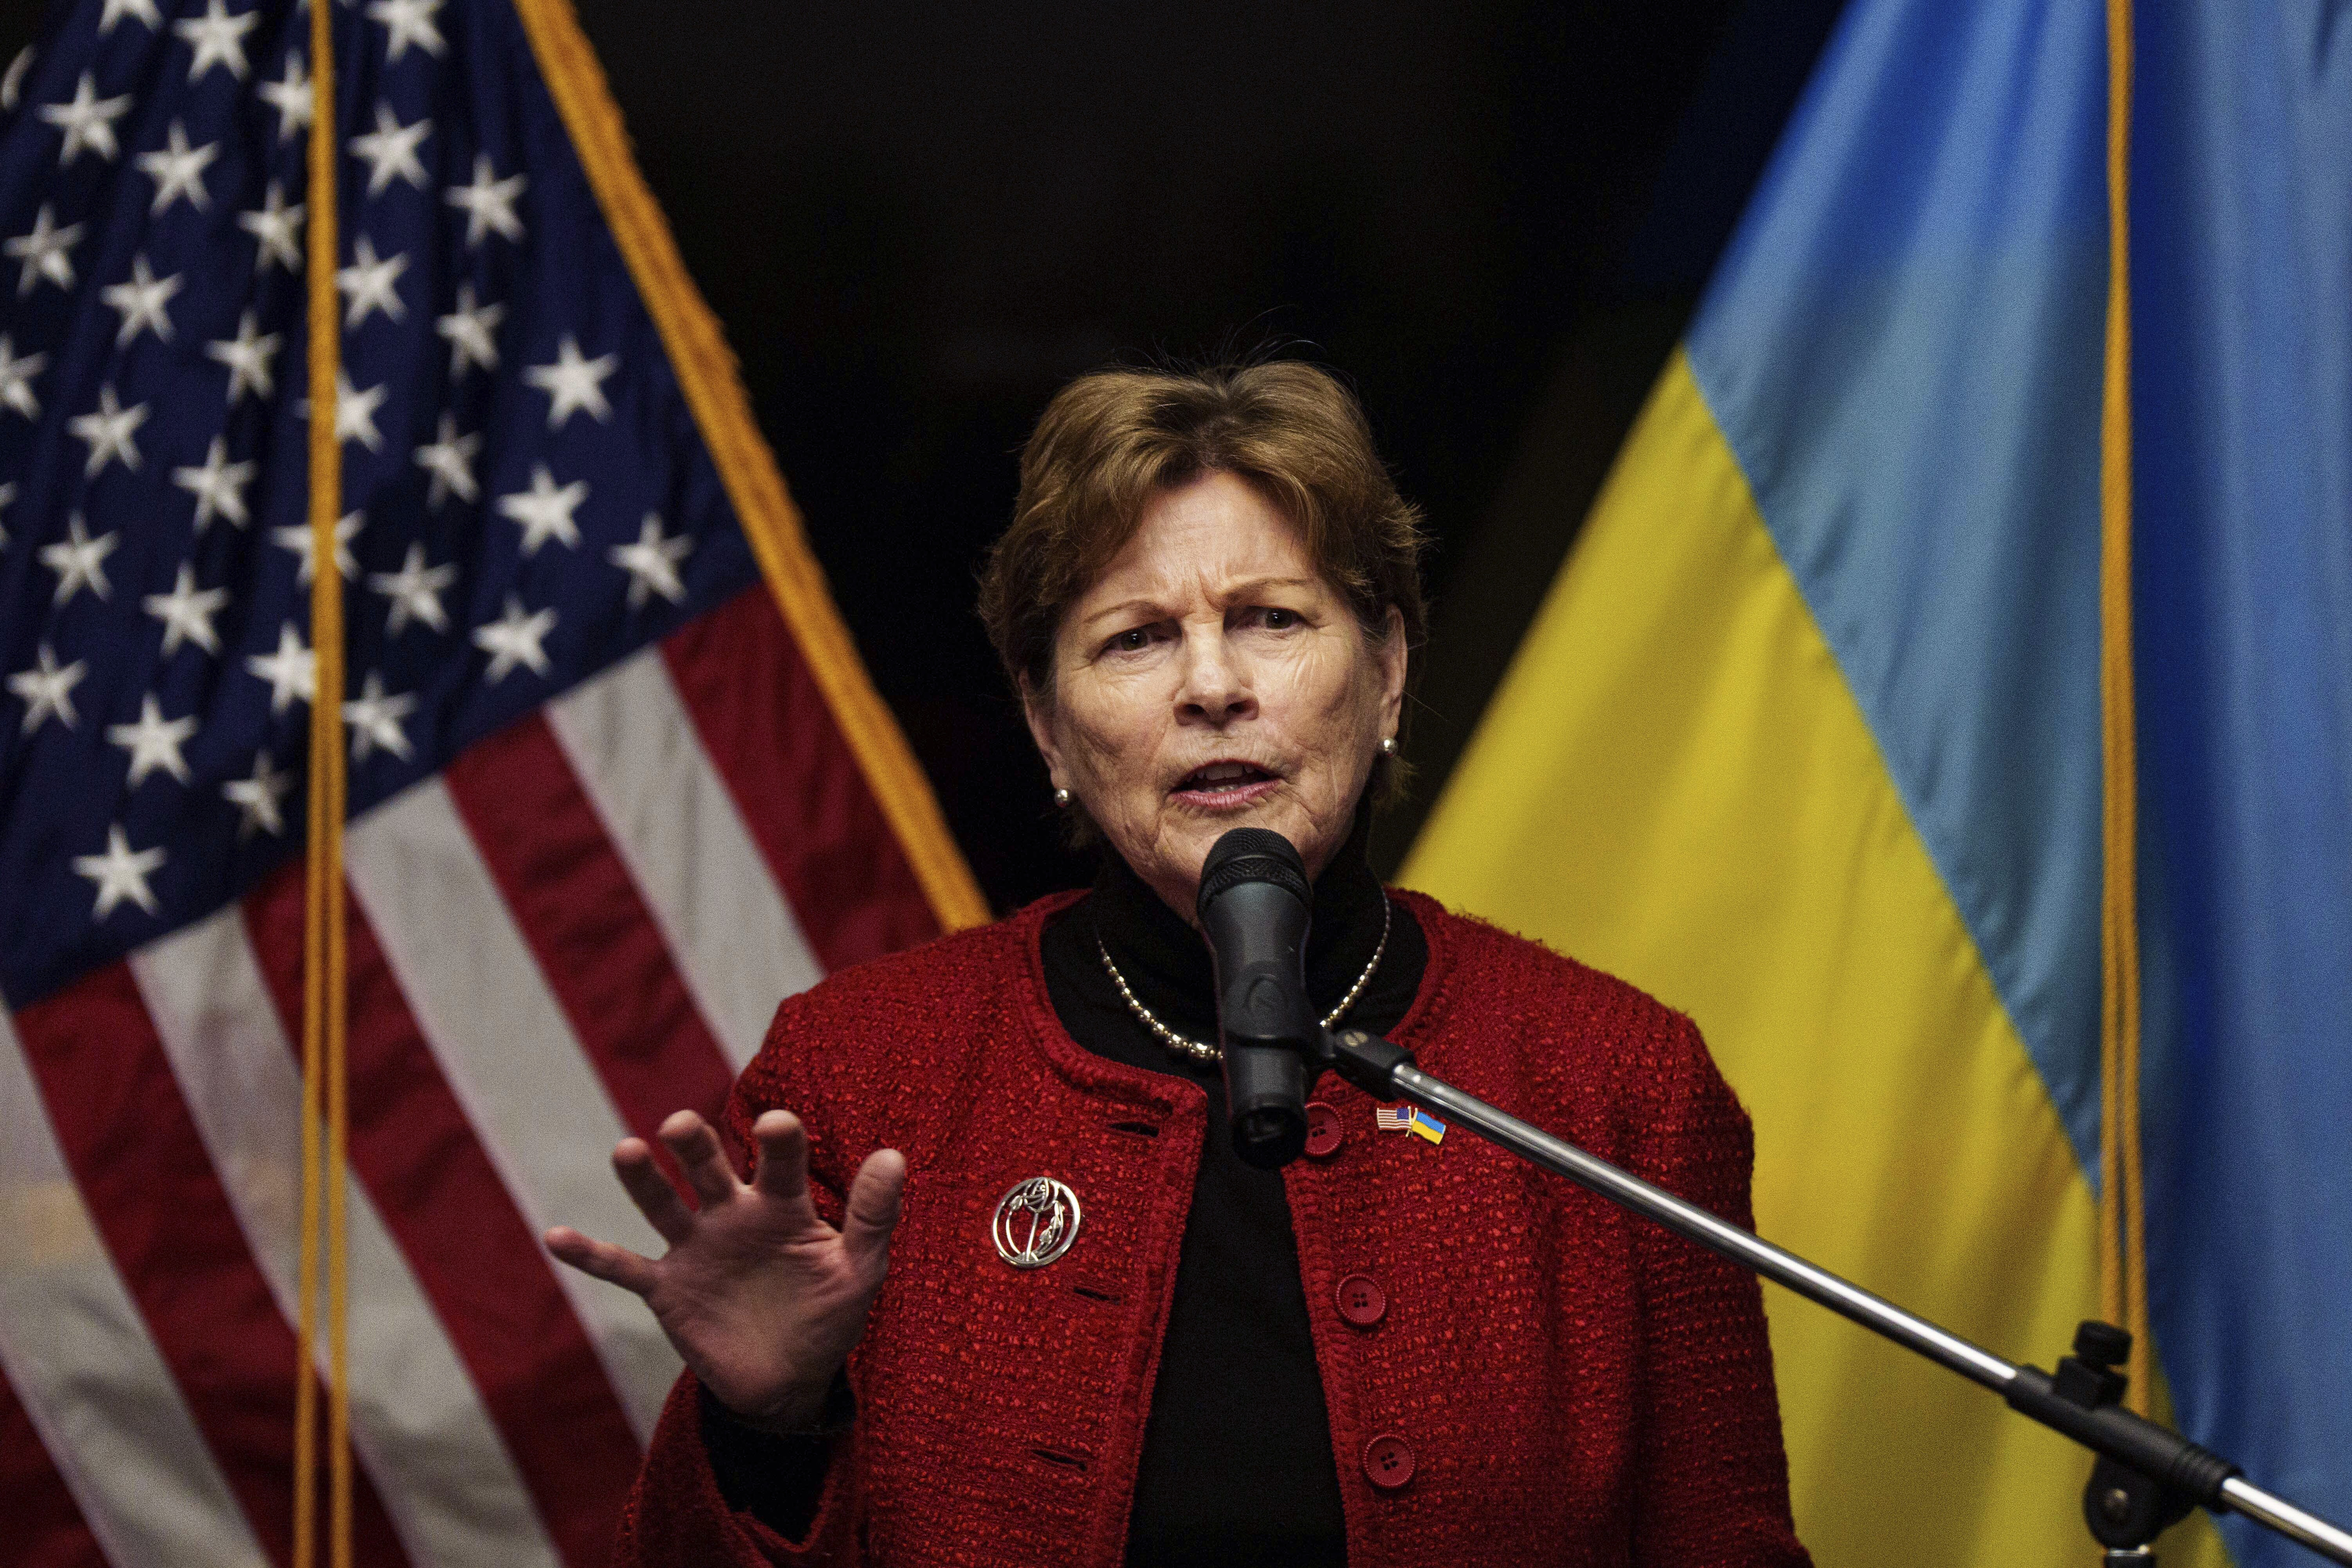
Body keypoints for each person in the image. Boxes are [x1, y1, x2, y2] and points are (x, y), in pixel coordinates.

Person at [545, 361, 1812, 1566]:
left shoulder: (1617, 1080)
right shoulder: (863, 1072)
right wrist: (765, 1429)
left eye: (1271, 619)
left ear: (1387, 675)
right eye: (1137, 639)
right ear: (1048, 724)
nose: (1213, 686)